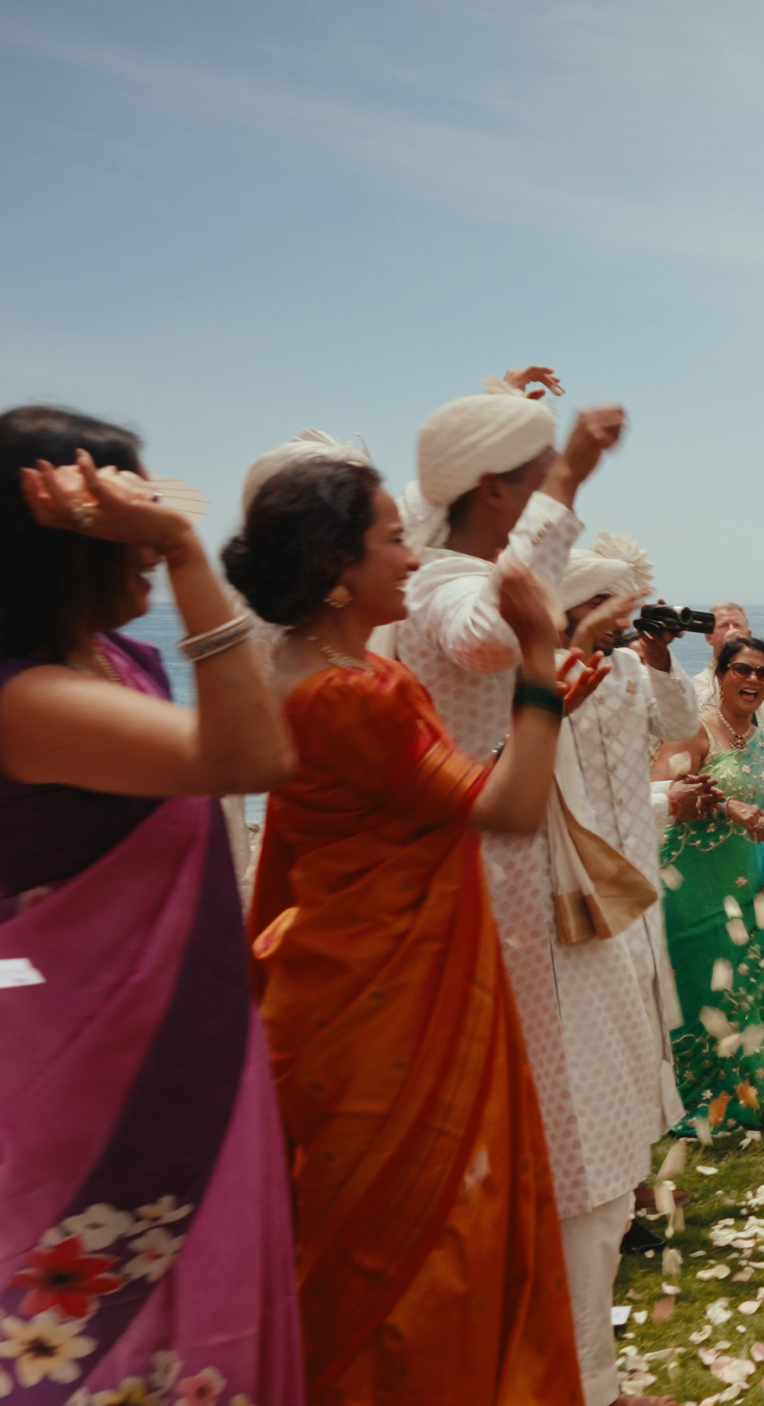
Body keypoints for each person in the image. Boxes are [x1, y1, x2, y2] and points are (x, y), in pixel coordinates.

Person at [232, 454, 586, 1403]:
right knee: (429, 1261)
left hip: (335, 989)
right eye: (393, 539)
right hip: (393, 1009)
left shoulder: (296, 665)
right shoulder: (358, 693)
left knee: (350, 1253)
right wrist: (541, 659)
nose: (413, 556)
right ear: (338, 568)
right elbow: (507, 809)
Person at [1, 413, 302, 1404]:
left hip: (186, 1040)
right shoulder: (27, 699)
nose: (151, 530)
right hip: (85, 1088)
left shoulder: (120, 662)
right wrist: (182, 553)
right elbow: (249, 757)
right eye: (131, 514)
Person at [392, 372, 656, 1395]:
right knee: (570, 1146)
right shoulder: (440, 584)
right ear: (499, 489)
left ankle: (576, 1358)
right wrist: (573, 477)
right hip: (495, 886)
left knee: (591, 1130)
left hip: (524, 878)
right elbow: (484, 633)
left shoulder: (437, 567)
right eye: (536, 477)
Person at [551, 532, 703, 1405]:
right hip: (573, 906)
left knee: (647, 1043)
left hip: (632, 898)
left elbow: (682, 728)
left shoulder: (638, 674)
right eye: (603, 608)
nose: (613, 622)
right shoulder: (536, 676)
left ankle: (635, 1178)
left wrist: (657, 651)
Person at [652, 636, 764, 1142]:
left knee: (743, 996)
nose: (754, 680)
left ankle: (742, 1100)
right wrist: (726, 807)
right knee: (701, 993)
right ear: (718, 675)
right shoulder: (693, 734)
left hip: (748, 895)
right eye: (742, 669)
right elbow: (663, 797)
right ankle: (693, 1101)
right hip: (691, 889)